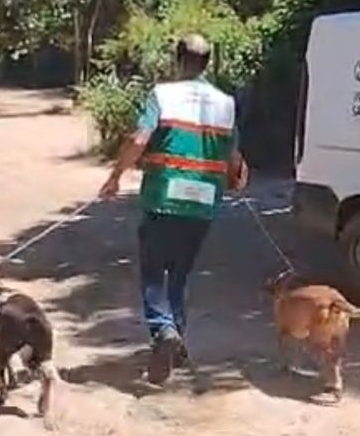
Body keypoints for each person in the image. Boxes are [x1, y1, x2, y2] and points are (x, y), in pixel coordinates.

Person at [99, 34, 248, 385]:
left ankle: (164, 330)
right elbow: (235, 159)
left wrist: (115, 177)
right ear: (207, 63)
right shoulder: (226, 103)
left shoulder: (163, 95)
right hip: (203, 204)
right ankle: (175, 342)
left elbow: (139, 140)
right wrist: (236, 181)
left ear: (179, 59)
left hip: (164, 198)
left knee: (154, 272)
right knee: (179, 274)